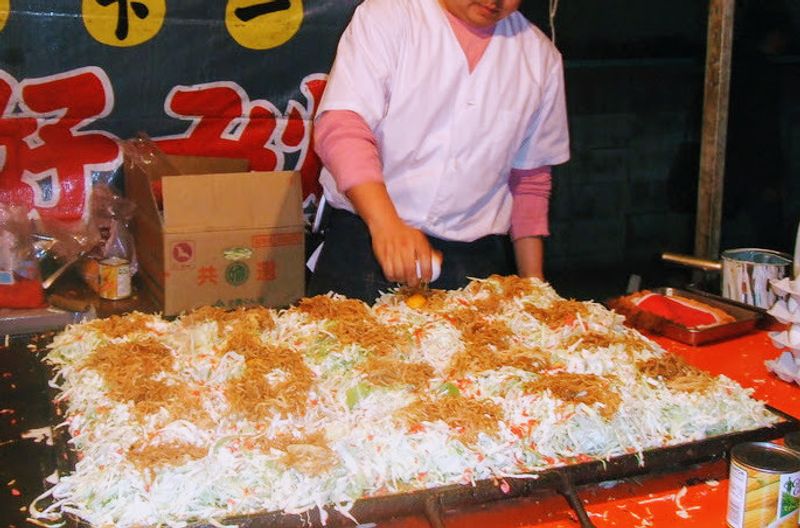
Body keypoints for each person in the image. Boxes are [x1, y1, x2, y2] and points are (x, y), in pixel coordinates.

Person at [308, 0, 570, 303]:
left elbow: (530, 180)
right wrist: (386, 223)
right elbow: (343, 126)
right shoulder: (389, 14)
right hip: (367, 241)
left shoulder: (539, 58)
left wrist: (534, 287)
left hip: (473, 264)